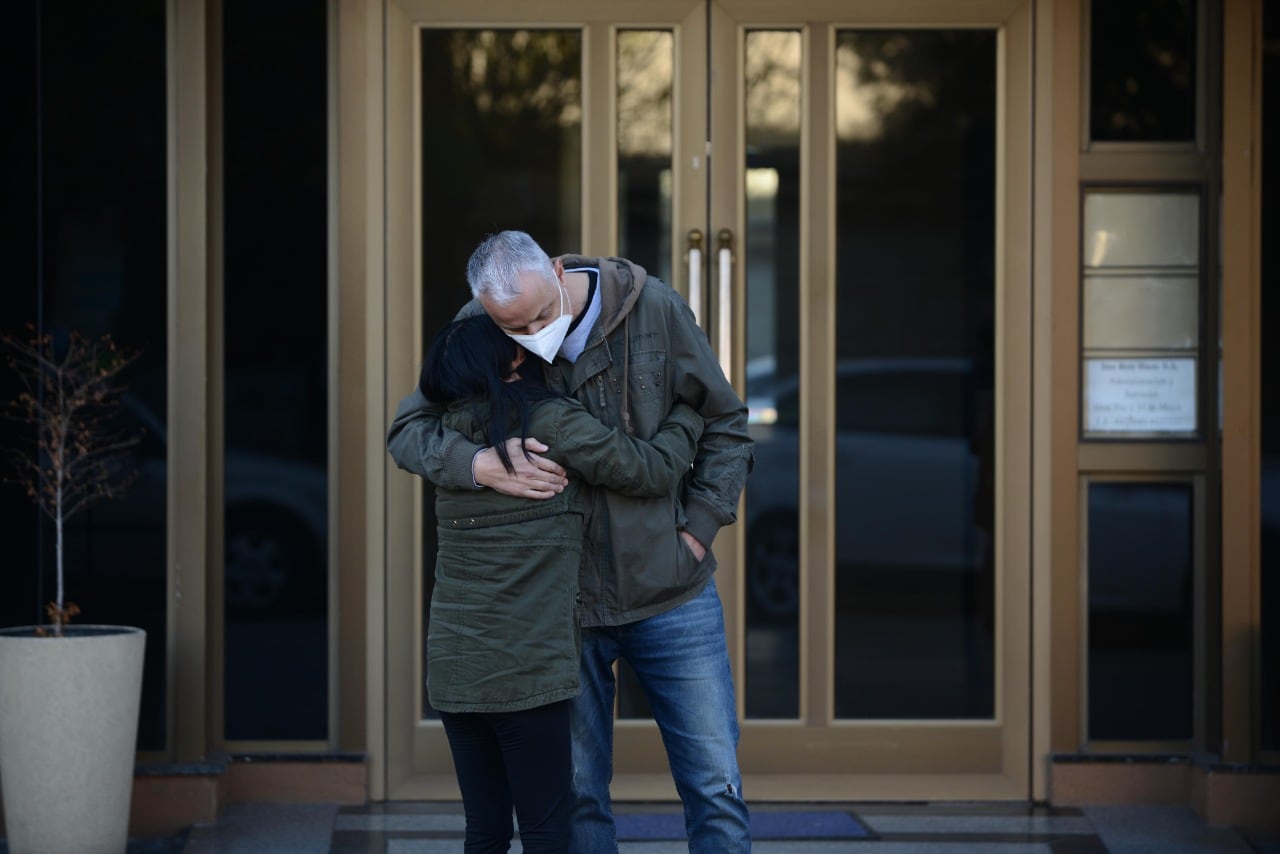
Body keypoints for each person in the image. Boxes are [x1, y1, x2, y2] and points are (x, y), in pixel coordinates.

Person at [388, 230, 754, 853]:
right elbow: (409, 428)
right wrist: (478, 463)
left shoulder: (654, 309)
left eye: (540, 315)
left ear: (559, 271)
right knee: (579, 795)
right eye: (513, 327)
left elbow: (725, 422)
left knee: (714, 786)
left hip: (670, 592)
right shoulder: (481, 319)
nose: (530, 334)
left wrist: (696, 532)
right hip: (558, 609)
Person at [415, 312, 706, 854]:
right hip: (528, 673)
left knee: (485, 831)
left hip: (455, 672)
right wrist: (689, 415)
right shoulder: (550, 424)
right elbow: (651, 470)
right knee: (548, 830)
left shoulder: (443, 439)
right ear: (512, 363)